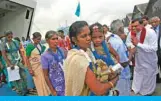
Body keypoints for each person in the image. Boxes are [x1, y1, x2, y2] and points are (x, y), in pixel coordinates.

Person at [64, 21, 119, 96]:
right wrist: (114, 81)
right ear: (74, 40)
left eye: (89, 34)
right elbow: (98, 90)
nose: (89, 38)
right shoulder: (77, 59)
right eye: (84, 36)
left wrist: (108, 75)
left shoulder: (88, 51)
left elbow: (95, 73)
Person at [126, 18, 158, 95]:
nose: (133, 28)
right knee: (138, 74)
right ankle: (137, 89)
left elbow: (154, 48)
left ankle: (148, 92)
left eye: (135, 26)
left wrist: (138, 45)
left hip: (149, 60)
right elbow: (128, 43)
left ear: (142, 24)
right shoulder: (131, 33)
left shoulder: (150, 32)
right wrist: (131, 47)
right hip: (138, 59)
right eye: (132, 26)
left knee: (148, 76)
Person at [1, 31, 27, 95]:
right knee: (16, 77)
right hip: (11, 62)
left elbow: (20, 51)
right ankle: (20, 91)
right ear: (5, 36)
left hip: (18, 61)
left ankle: (25, 89)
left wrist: (23, 59)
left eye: (11, 36)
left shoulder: (15, 42)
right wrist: (9, 64)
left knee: (23, 74)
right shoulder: (3, 44)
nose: (10, 38)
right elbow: (3, 55)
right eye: (8, 37)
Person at [109, 19, 131, 96]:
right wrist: (131, 53)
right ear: (120, 29)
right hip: (121, 76)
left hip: (114, 75)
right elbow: (123, 62)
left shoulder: (110, 40)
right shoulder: (118, 42)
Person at [41, 31, 65, 96]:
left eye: (57, 38)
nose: (56, 41)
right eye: (53, 39)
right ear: (47, 40)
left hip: (66, 82)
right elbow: (46, 75)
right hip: (56, 85)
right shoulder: (45, 56)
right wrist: (52, 90)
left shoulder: (62, 51)